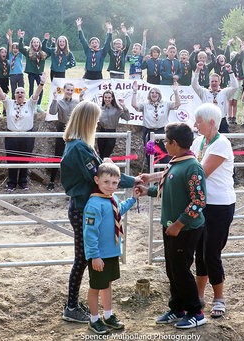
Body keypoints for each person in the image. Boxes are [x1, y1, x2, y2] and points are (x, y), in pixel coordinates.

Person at [60, 101, 138, 323]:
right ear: (87, 122)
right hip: (84, 207)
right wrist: (134, 181)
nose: (97, 123)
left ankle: (73, 304)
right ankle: (72, 306)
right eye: (94, 120)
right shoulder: (80, 148)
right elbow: (101, 175)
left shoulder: (78, 145)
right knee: (82, 259)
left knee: (83, 258)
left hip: (83, 205)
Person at [138, 122, 207, 329]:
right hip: (171, 226)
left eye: (167, 142)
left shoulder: (192, 167)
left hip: (185, 229)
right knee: (172, 269)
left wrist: (179, 223)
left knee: (181, 270)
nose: (165, 146)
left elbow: (199, 202)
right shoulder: (176, 163)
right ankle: (177, 307)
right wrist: (146, 190)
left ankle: (196, 311)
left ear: (175, 143)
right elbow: (168, 189)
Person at [83, 162, 140, 334]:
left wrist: (133, 199)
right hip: (99, 255)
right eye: (106, 182)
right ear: (97, 180)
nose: (110, 186)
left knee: (107, 284)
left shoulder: (112, 198)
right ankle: (94, 319)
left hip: (111, 252)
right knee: (95, 286)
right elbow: (89, 233)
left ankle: (108, 315)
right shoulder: (94, 204)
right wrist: (94, 256)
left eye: (114, 183)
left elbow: (118, 211)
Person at [190, 103, 235, 318]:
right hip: (202, 204)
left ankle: (219, 297)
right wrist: (155, 178)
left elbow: (200, 174)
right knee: (200, 250)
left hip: (220, 205)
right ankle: (199, 296)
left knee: (211, 252)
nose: (195, 124)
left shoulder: (222, 144)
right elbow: (184, 165)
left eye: (198, 121)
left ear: (211, 123)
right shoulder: (199, 141)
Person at [0, 70, 46, 191]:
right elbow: (0, 93)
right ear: (14, 94)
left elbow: (36, 94)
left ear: (25, 94)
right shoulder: (9, 103)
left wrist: (41, 84)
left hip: (27, 136)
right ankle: (11, 183)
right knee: (12, 160)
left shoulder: (30, 104)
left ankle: (23, 182)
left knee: (24, 160)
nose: (19, 94)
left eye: (22, 92)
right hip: (12, 136)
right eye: (17, 92)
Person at [131, 80, 180, 166]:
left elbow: (177, 104)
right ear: (149, 94)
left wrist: (176, 92)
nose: (154, 94)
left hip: (162, 132)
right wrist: (134, 92)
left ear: (159, 94)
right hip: (149, 132)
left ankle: (164, 173)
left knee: (165, 153)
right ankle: (151, 174)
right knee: (150, 154)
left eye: (156, 92)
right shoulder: (145, 104)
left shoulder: (165, 103)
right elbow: (134, 105)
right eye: (152, 92)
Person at [47, 83, 84, 191]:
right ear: (64, 90)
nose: (69, 92)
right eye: (68, 90)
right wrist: (54, 99)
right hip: (61, 128)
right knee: (58, 154)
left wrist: (81, 99)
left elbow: (82, 113)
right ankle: (52, 181)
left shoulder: (77, 102)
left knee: (73, 155)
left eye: (71, 90)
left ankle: (73, 182)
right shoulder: (59, 102)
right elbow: (52, 112)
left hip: (73, 129)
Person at [191, 62, 238, 133]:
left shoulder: (225, 92)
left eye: (216, 81)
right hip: (207, 121)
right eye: (212, 81)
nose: (214, 83)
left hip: (221, 121)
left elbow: (235, 87)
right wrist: (197, 70)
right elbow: (194, 85)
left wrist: (230, 72)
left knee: (223, 141)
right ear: (209, 82)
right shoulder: (204, 92)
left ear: (219, 82)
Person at [18, 30, 48, 113]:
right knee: (31, 88)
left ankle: (38, 105)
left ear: (39, 44)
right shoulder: (28, 52)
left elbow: (49, 51)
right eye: (34, 42)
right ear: (32, 44)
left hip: (39, 74)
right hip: (31, 73)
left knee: (41, 88)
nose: (36, 44)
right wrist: (21, 38)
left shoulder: (42, 53)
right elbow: (20, 48)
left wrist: (46, 40)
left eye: (37, 42)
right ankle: (32, 105)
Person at [97, 90, 131, 159]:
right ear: (103, 98)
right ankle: (101, 169)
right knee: (101, 155)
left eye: (109, 98)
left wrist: (124, 107)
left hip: (111, 133)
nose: (107, 99)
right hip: (101, 132)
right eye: (105, 97)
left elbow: (127, 118)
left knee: (106, 155)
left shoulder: (117, 109)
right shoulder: (99, 108)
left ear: (112, 98)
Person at [6, 29, 25, 100]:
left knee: (21, 90)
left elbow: (21, 46)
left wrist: (20, 37)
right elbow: (10, 45)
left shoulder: (20, 55)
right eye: (14, 48)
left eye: (17, 48)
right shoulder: (10, 55)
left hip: (20, 75)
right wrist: (10, 36)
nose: (15, 49)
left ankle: (22, 102)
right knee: (14, 90)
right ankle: (14, 102)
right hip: (12, 75)